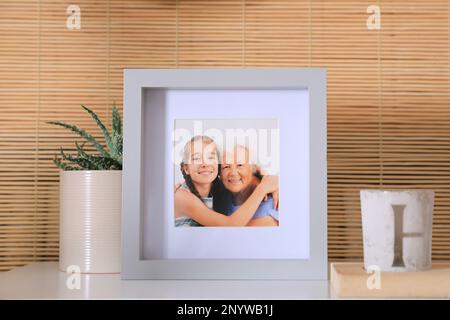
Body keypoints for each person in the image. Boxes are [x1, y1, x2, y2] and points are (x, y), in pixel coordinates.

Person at [174, 136, 278, 227]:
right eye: (196, 158)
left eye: (210, 157)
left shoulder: (217, 192)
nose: (205, 164)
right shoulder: (182, 196)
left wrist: (269, 179)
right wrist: (263, 188)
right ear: (186, 168)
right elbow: (230, 225)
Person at [219, 144, 279, 226]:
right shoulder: (223, 197)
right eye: (226, 167)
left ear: (252, 168)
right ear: (220, 174)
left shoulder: (274, 201)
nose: (233, 173)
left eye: (240, 165)